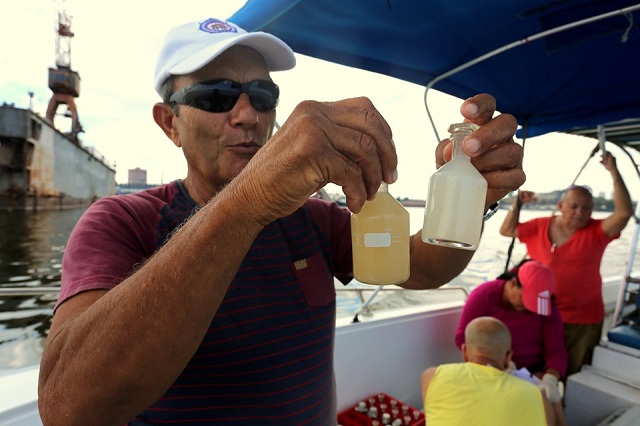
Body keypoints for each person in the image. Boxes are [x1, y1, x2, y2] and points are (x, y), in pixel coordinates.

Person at [37, 18, 524, 425]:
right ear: (170, 123)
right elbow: (69, 405)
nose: (246, 113)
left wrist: (469, 197)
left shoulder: (314, 218)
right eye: (215, 95)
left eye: (262, 94)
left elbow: (419, 267)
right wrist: (251, 200)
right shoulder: (121, 221)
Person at [500, 152, 633, 376]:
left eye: (586, 208)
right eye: (573, 206)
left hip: (581, 320)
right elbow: (507, 230)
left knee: (572, 373)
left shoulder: (597, 231)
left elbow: (624, 213)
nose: (580, 212)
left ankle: (562, 409)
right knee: (536, 369)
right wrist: (518, 202)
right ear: (561, 205)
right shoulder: (539, 226)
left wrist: (614, 171)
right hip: (539, 312)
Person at [422, 316, 565, 426]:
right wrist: (556, 402)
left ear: (464, 351)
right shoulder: (538, 397)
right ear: (508, 358)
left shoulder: (431, 377)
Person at [454, 259, 568, 394]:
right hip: (490, 367)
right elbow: (463, 338)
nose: (529, 308)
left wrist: (550, 378)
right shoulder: (484, 295)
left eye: (535, 304)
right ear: (513, 283)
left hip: (533, 371)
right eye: (525, 300)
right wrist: (494, 364)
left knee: (548, 399)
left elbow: (556, 351)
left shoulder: (547, 308)